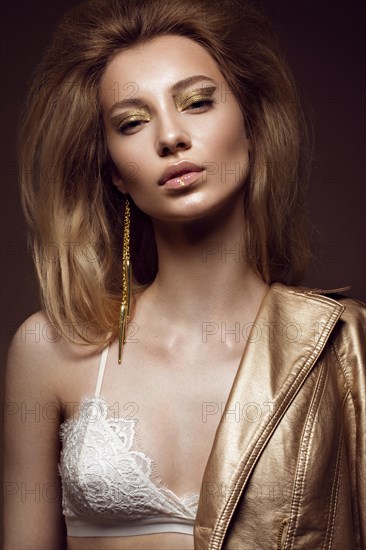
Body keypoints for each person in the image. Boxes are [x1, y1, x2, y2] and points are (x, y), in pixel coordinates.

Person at [3, 0, 365, 548]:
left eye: (196, 102)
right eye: (132, 122)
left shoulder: (342, 346)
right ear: (115, 173)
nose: (170, 137)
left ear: (252, 125)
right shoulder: (49, 349)